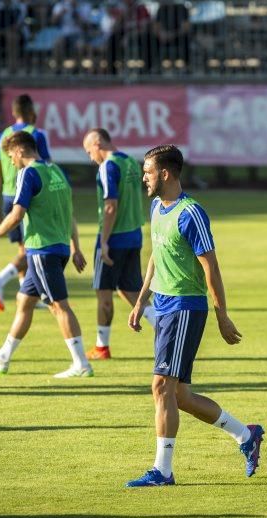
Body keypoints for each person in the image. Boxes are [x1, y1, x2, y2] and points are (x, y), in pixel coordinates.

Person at [125, 145, 263, 487]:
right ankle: (246, 435)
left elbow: (210, 266)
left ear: (166, 174)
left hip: (186, 308)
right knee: (180, 396)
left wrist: (222, 315)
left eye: (148, 171)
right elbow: (156, 255)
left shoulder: (191, 213)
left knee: (160, 387)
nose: (144, 177)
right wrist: (142, 300)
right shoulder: (157, 206)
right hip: (164, 305)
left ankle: (163, 471)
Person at [0, 131, 92, 378]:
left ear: (19, 151)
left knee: (59, 306)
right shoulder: (57, 171)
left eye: (10, 156)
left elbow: (17, 213)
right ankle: (3, 357)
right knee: (24, 301)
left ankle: (81, 363)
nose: (10, 161)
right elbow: (70, 213)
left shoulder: (28, 173)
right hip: (58, 248)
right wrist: (75, 247)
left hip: (42, 249)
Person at [81, 128, 156, 360]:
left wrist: (103, 241)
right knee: (130, 289)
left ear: (97, 143)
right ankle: (164, 326)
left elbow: (111, 206)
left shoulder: (108, 166)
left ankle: (101, 347)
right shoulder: (132, 162)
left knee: (104, 293)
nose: (89, 157)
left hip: (114, 239)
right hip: (134, 236)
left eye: (88, 150)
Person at [0, 94, 52, 311]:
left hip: (6, 196)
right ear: (32, 112)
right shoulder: (35, 136)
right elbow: (45, 166)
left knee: (24, 247)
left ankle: (27, 295)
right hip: (29, 196)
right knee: (29, 250)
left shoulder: (1, 137)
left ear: (14, 113)